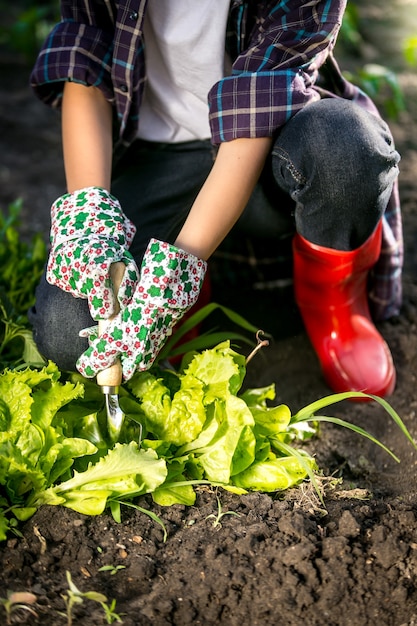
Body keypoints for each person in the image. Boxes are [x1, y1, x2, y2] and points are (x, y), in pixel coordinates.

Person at [28, 0, 403, 397]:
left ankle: (335, 308)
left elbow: (256, 102)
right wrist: (90, 216)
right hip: (157, 159)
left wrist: (173, 274)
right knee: (68, 331)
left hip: (272, 147)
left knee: (345, 147)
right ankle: (196, 296)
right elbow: (87, 50)